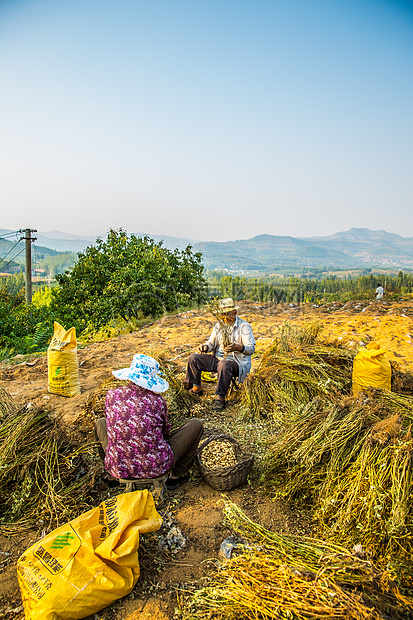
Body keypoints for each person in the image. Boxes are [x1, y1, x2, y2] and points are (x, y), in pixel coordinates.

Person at [94, 354, 204, 491]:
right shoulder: (157, 401)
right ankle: (176, 476)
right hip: (155, 467)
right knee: (196, 424)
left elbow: (112, 425)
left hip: (119, 467)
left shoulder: (111, 395)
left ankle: (111, 476)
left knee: (100, 423)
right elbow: (165, 432)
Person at [184, 298, 256, 411]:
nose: (225, 317)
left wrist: (239, 347)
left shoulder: (244, 327)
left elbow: (251, 349)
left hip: (236, 363)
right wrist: (206, 347)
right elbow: (211, 343)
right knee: (194, 358)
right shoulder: (219, 325)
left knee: (224, 364)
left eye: (228, 314)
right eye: (223, 314)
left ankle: (220, 398)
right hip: (217, 359)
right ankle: (196, 389)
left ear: (235, 312)